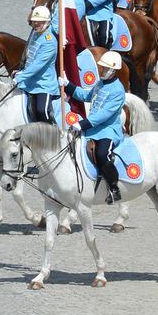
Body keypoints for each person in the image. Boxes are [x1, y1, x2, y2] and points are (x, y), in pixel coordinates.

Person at [61, 50, 127, 203]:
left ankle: (114, 188)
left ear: (113, 70)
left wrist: (81, 124)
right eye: (101, 67)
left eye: (104, 68)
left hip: (108, 131)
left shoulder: (118, 90)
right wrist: (68, 84)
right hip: (91, 128)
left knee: (102, 154)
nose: (101, 70)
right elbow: (86, 96)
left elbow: (103, 115)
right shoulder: (100, 83)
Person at [14, 5, 60, 124]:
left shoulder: (49, 41)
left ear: (46, 22)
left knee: (41, 111)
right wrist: (20, 71)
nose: (36, 25)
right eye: (34, 23)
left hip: (43, 85)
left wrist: (20, 77)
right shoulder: (35, 34)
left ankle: (53, 134)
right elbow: (29, 57)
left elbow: (38, 65)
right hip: (29, 82)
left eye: (39, 23)